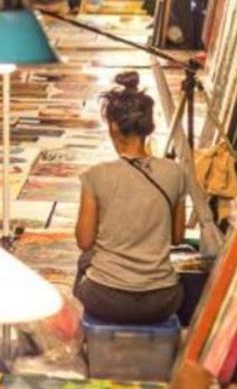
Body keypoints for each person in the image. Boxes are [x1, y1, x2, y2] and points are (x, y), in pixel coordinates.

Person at [75, 86, 186, 324]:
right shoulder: (175, 173)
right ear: (148, 127)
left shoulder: (95, 175)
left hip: (105, 297)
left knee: (85, 260)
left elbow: (84, 241)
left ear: (113, 127)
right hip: (162, 300)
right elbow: (177, 237)